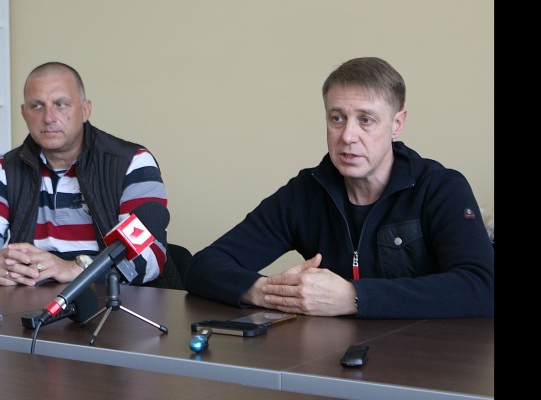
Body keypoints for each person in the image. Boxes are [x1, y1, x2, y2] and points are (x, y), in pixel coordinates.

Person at [184, 57, 494, 319]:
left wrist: (354, 296)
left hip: (427, 358)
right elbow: (203, 266)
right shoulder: (306, 192)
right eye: (337, 118)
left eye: (366, 120)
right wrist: (267, 292)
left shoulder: (440, 188)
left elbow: (483, 287)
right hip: (335, 358)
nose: (347, 136)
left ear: (397, 124)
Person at [0, 61, 176, 288]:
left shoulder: (132, 163)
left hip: (114, 301)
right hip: (29, 302)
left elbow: (149, 258)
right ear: (24, 113)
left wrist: (72, 269)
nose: (48, 117)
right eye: (37, 106)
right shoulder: (4, 169)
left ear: (85, 110)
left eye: (61, 104)